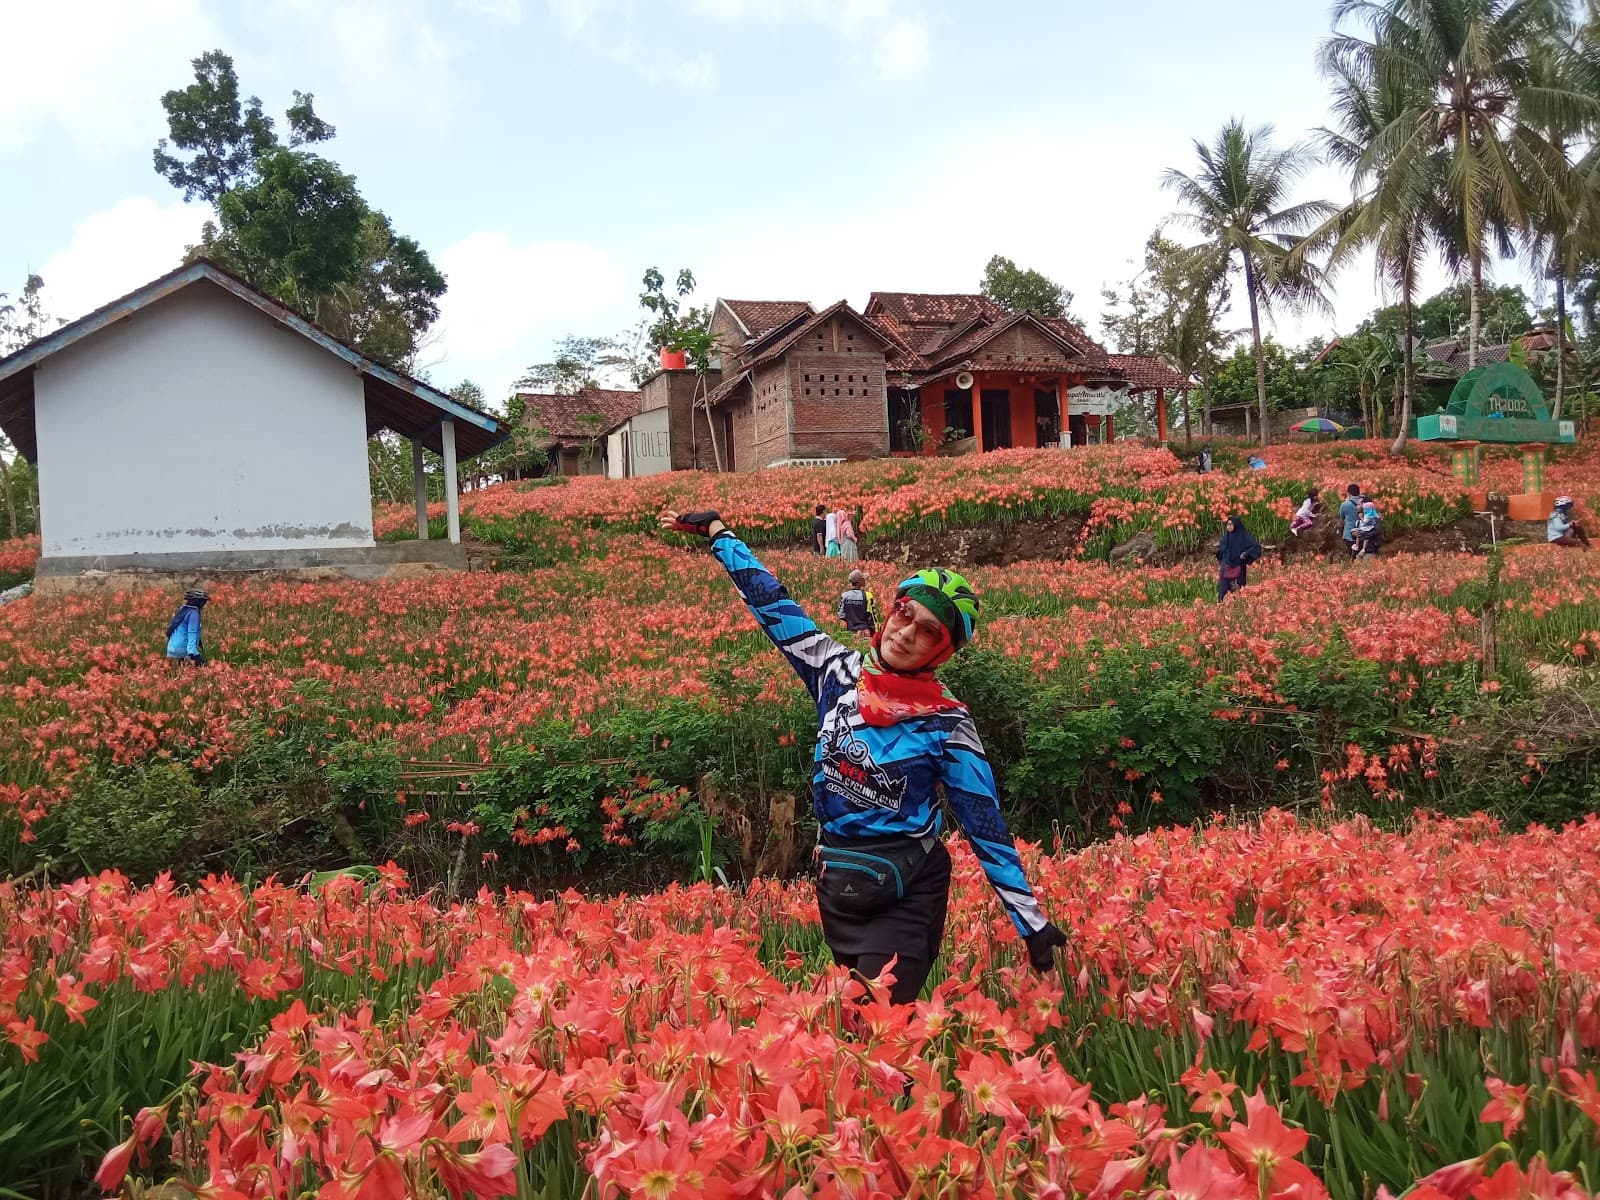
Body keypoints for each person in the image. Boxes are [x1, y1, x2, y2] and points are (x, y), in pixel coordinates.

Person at [658, 507, 1067, 1004]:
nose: (905, 633)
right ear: (890, 609)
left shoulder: (947, 724)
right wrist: (720, 534)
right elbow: (771, 603)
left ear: (945, 651)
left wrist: (1031, 923)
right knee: (864, 1043)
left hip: (908, 888)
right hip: (842, 881)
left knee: (876, 1025)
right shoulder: (835, 672)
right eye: (904, 612)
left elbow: (985, 827)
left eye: (929, 632)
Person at [1216, 514, 1262, 602]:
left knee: (1238, 589)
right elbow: (1221, 551)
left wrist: (1245, 554)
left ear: (1236, 525)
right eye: (1228, 525)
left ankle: (1237, 606)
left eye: (1231, 524)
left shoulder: (1243, 537)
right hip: (1226, 567)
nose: (1229, 527)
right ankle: (1222, 605)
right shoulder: (1225, 538)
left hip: (1239, 567)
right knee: (1223, 589)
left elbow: (1255, 547)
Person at [165, 588, 209, 666]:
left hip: (172, 648)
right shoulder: (194, 613)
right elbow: (192, 632)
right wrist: (193, 653)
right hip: (183, 649)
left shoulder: (183, 610)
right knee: (204, 670)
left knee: (180, 672)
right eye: (204, 602)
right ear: (200, 602)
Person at [838, 569, 876, 634]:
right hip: (865, 633)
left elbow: (841, 615)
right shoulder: (868, 595)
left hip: (850, 632)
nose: (865, 580)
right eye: (863, 578)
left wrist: (851, 621)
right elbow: (872, 616)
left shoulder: (844, 595)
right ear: (859, 581)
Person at [1339, 483, 1362, 555]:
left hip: (1350, 535)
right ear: (1359, 492)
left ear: (1348, 493)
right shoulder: (1365, 502)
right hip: (1364, 534)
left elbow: (1341, 516)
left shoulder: (1345, 504)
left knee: (1352, 555)